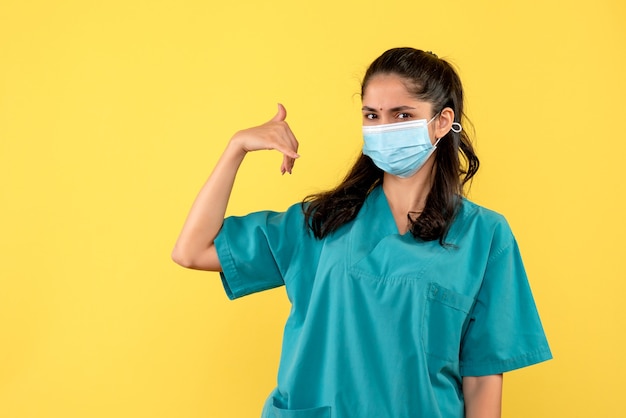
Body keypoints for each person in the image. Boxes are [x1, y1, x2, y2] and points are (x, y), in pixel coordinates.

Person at [172, 47, 552, 418]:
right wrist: (237, 146)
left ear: (441, 121)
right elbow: (192, 250)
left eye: (401, 114)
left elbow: (482, 379)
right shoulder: (322, 223)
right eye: (372, 115)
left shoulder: (483, 235)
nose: (383, 129)